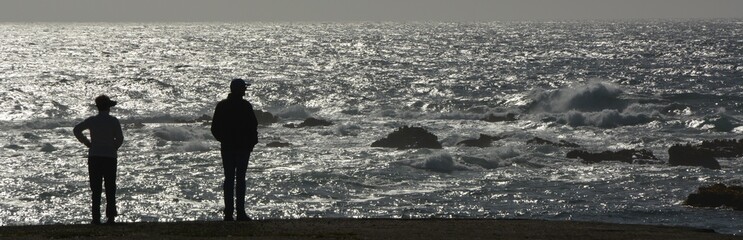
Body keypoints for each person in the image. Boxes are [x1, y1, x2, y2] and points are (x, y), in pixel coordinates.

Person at [211, 78, 259, 221]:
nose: (245, 90)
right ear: (240, 90)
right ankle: (240, 213)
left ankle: (228, 213)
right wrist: (251, 143)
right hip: (242, 148)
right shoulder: (245, 106)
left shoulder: (222, 106)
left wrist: (224, 140)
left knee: (229, 179)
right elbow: (253, 126)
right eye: (244, 88)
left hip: (228, 148)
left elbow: (214, 128)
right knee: (240, 180)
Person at [73, 95, 124, 225]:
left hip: (95, 156)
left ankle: (96, 218)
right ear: (108, 108)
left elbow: (76, 130)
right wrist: (114, 147)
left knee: (96, 188)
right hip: (109, 157)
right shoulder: (113, 121)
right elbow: (120, 138)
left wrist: (87, 142)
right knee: (110, 187)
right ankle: (111, 217)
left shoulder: (92, 120)